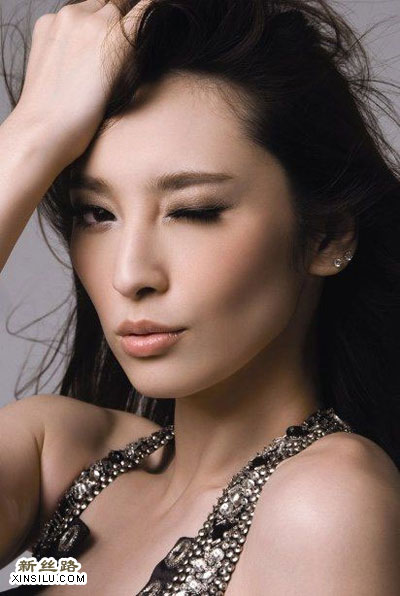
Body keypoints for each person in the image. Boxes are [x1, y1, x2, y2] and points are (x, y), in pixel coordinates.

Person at [0, 0, 399, 594]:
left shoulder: (326, 503)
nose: (130, 274)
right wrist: (32, 135)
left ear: (326, 236)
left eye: (193, 211)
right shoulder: (61, 458)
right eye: (97, 213)